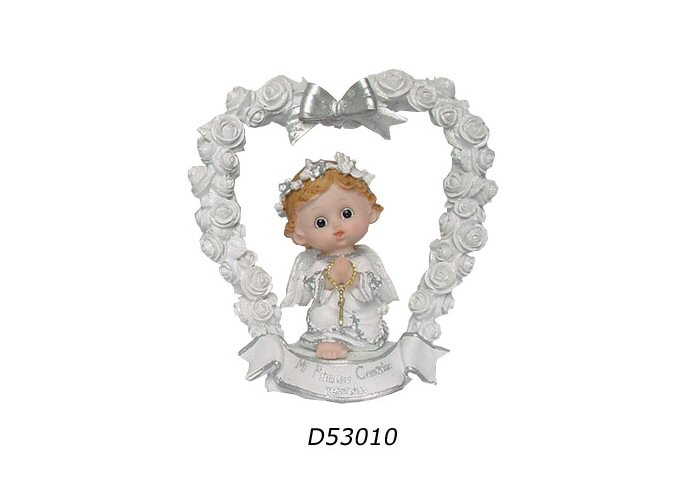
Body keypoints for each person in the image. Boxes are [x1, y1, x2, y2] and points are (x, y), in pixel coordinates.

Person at [278, 153, 398, 360]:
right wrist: (328, 279)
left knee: (367, 316)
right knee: (322, 314)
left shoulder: (364, 259)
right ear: (300, 234)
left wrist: (355, 279)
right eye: (321, 223)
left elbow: (373, 288)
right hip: (328, 318)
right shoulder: (316, 263)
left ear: (370, 211)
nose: (337, 226)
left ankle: (361, 342)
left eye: (346, 213)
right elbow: (310, 289)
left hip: (361, 318)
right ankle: (328, 340)